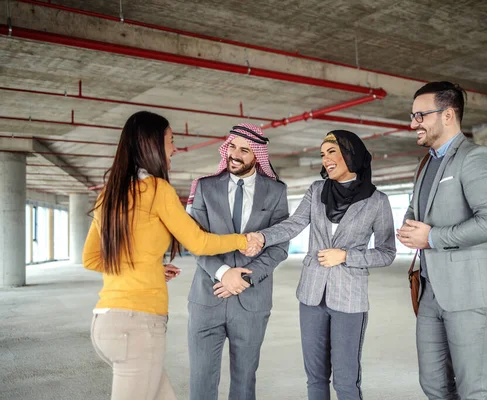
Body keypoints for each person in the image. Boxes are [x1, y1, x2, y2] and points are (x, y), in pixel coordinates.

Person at [82, 111, 261, 400]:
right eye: (171, 140)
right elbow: (199, 242)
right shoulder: (156, 189)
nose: (174, 148)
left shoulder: (110, 193)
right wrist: (243, 239)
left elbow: (91, 258)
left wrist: (149, 269)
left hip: (106, 323)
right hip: (137, 326)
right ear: (152, 144)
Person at [250, 130, 396, 400]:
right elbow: (294, 225)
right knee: (315, 377)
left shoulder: (378, 202)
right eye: (322, 154)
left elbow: (387, 252)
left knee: (345, 380)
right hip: (311, 296)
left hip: (349, 300)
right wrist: (262, 237)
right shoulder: (317, 191)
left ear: (351, 155)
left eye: (332, 152)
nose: (325, 159)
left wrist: (346, 256)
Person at [397, 81, 487, 400]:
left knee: (472, 389)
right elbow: (417, 208)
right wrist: (409, 226)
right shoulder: (426, 163)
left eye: (420, 115)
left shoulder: (475, 157)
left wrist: (431, 236)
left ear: (448, 114)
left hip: (472, 292)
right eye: (412, 115)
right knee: (433, 384)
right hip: (432, 292)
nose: (412, 123)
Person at [185, 123, 289, 400]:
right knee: (201, 381)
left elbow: (279, 247)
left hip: (252, 300)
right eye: (232, 146)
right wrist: (222, 273)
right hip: (207, 298)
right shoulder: (205, 187)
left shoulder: (276, 191)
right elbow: (194, 240)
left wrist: (243, 277)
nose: (235, 154)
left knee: (244, 382)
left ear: (257, 155)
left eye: (245, 150)